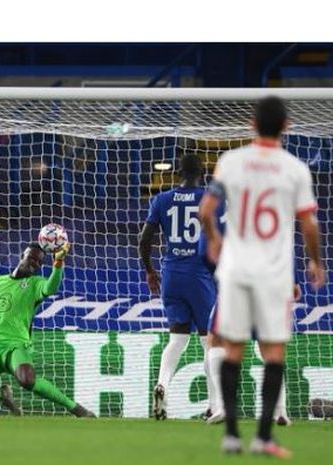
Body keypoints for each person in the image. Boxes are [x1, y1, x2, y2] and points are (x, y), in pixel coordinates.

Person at [200, 96, 325, 457]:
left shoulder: (231, 162)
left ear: (252, 124)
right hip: (274, 273)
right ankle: (264, 437)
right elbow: (309, 224)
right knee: (272, 351)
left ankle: (232, 436)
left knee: (231, 347)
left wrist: (214, 239)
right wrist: (316, 262)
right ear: (286, 125)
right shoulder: (295, 169)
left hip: (236, 267)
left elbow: (205, 209)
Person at [0, 243, 94, 417]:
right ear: (23, 255)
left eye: (39, 262)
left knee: (27, 380)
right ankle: (0, 393)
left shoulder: (35, 283)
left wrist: (58, 263)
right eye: (32, 258)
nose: (35, 264)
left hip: (16, 346)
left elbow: (50, 288)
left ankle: (76, 408)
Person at [199, 206, 295, 426]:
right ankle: (279, 411)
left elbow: (203, 250)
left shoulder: (221, 206)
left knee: (216, 340)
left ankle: (222, 406)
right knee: (269, 347)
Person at [139, 154, 216, 420]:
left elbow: (144, 240)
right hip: (200, 275)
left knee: (177, 339)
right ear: (203, 173)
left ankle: (162, 384)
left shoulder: (161, 199)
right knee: (210, 342)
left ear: (178, 173)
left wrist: (150, 270)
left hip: (171, 274)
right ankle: (213, 405)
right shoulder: (210, 199)